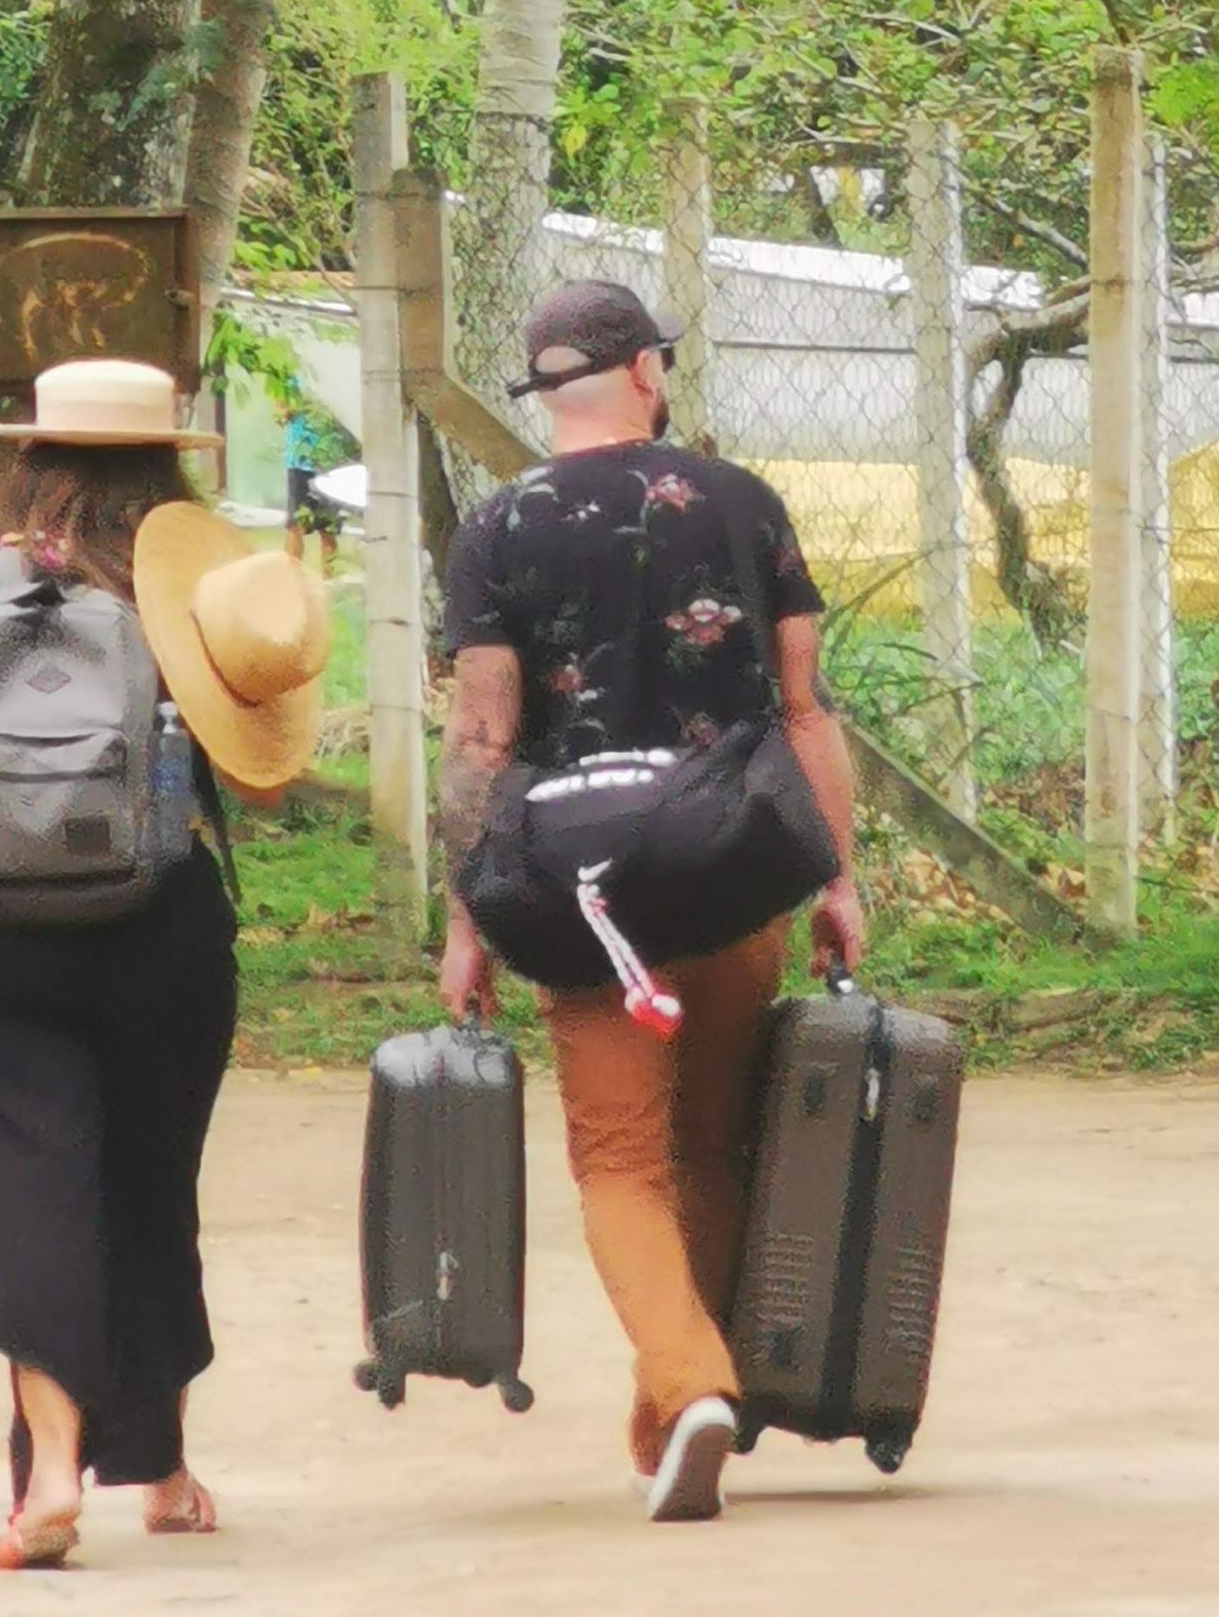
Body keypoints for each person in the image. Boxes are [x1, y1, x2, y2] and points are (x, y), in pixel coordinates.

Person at [0, 358, 330, 1570]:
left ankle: (50, 1477)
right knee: (145, 1185)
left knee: (26, 1188)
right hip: (160, 929)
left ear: (34, 456)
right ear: (168, 459)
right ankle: (167, 1471)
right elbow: (255, 773)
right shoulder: (188, 593)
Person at [437, 281, 865, 1524]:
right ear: (648, 372)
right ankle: (680, 1399)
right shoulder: (740, 504)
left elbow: (480, 737)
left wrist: (468, 917)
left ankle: (685, 1389)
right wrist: (834, 874)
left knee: (619, 1160)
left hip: (585, 895)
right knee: (714, 1140)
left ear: (545, 391)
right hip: (735, 861)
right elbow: (801, 709)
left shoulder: (497, 528)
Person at [280, 383, 342, 575]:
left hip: (329, 459)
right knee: (295, 525)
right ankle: (292, 580)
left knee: (328, 528)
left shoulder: (333, 374)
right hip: (299, 460)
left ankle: (330, 580)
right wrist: (297, 407)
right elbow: (281, 412)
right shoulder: (290, 377)